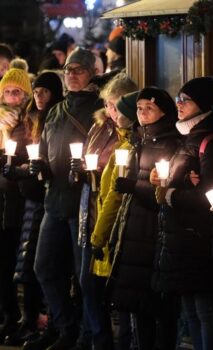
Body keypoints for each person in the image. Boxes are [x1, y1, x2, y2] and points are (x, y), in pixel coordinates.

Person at [28, 47, 103, 350]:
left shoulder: (98, 109)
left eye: (78, 69)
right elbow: (44, 149)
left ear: (91, 73)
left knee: (82, 275)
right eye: (68, 69)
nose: (71, 74)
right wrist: (39, 166)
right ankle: (63, 327)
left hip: (81, 205)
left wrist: (87, 168)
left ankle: (86, 334)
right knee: (43, 267)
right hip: (54, 201)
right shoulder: (57, 110)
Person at [151, 76, 213, 350]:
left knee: (204, 309)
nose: (179, 104)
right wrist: (166, 180)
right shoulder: (188, 136)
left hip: (197, 234)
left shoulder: (208, 140)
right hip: (180, 234)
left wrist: (171, 194)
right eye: (178, 99)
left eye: (186, 100)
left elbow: (210, 194)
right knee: (190, 308)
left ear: (202, 104)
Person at [109, 87, 180, 350]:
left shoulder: (170, 142)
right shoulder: (142, 141)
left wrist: (133, 187)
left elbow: (163, 192)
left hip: (155, 231)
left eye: (148, 108)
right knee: (139, 304)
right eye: (139, 108)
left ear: (164, 111)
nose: (141, 113)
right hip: (136, 229)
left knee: (157, 305)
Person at [71, 74, 138, 350]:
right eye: (108, 105)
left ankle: (120, 341)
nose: (110, 111)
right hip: (91, 210)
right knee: (87, 281)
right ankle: (98, 338)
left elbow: (115, 188)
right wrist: (80, 171)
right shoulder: (100, 126)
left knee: (116, 286)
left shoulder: (130, 139)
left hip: (110, 216)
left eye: (115, 105)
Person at [1, 71, 64, 346]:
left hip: (39, 200)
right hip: (23, 198)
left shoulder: (47, 119)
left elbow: (42, 159)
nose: (38, 97)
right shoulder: (22, 121)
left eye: (43, 92)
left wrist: (24, 170)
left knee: (39, 265)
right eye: (7, 92)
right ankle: (22, 319)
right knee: (24, 265)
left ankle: (44, 320)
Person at [90, 90, 139, 350]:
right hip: (115, 230)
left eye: (119, 110)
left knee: (126, 304)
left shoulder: (129, 148)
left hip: (120, 231)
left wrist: (99, 234)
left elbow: (114, 196)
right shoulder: (122, 144)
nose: (113, 115)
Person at [0, 68, 32, 344]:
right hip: (2, 199)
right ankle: (7, 316)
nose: (11, 97)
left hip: (18, 200)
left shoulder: (29, 124)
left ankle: (18, 319)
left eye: (17, 91)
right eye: (7, 91)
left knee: (14, 262)